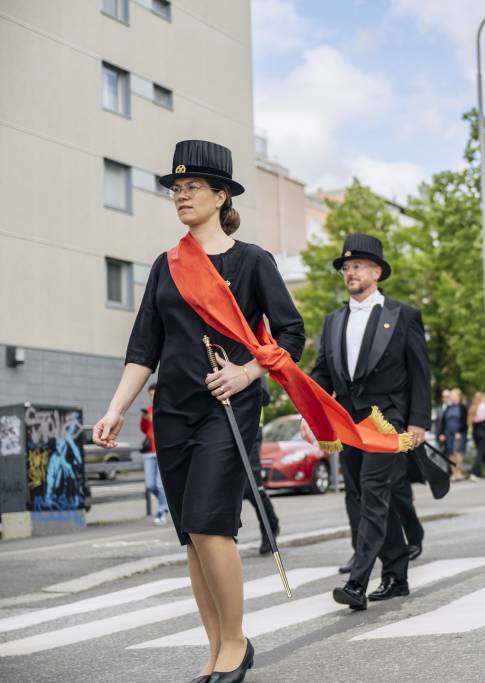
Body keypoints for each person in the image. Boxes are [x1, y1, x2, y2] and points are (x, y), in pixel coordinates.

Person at [94, 139, 305, 682]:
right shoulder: (167, 266)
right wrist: (117, 408)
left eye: (191, 188)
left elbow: (291, 333)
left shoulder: (253, 261)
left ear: (220, 195)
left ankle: (236, 641)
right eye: (175, 188)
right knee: (191, 533)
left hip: (228, 410)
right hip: (174, 413)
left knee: (213, 525)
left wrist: (248, 371)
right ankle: (214, 649)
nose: (181, 196)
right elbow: (144, 346)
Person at [309, 233, 431, 611]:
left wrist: (418, 422)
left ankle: (358, 581)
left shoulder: (403, 315)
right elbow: (322, 375)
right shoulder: (333, 321)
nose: (350, 272)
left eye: (358, 265)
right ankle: (396, 576)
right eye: (346, 267)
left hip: (387, 420)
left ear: (377, 271)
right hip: (348, 422)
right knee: (366, 497)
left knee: (374, 493)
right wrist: (309, 415)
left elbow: (419, 374)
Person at [244, 380, 280, 556]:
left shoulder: (250, 359)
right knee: (226, 487)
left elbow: (265, 397)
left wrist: (243, 378)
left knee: (253, 487)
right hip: (224, 429)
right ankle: (225, 538)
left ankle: (270, 528)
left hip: (251, 429)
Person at [139, 383, 169, 525]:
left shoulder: (166, 408)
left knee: (160, 484)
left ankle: (161, 510)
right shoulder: (149, 410)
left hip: (163, 451)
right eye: (150, 395)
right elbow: (144, 430)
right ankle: (167, 504)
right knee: (150, 485)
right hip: (149, 452)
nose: (152, 397)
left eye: (154, 394)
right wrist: (145, 419)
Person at [469, 391, 485, 478]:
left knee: (483, 451)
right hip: (483, 430)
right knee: (481, 452)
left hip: (475, 432)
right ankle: (474, 471)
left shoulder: (473, 408)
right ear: (483, 398)